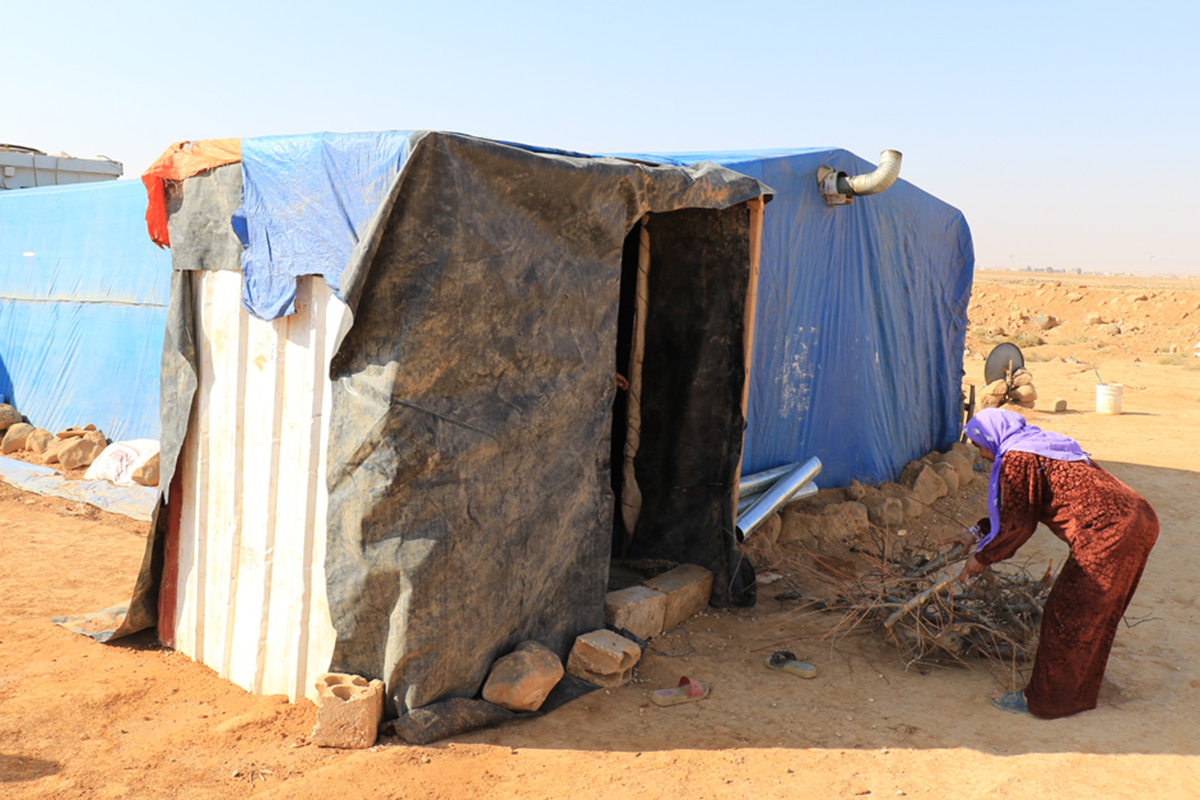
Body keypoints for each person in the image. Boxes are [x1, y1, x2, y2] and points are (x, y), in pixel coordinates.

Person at [944, 407, 1158, 719]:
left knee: (1066, 614)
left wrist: (982, 558)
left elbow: (1018, 526)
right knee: (1096, 612)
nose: (982, 454)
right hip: (1140, 519)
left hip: (1110, 532)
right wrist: (974, 533)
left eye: (980, 445)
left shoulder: (1018, 458)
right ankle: (1078, 693)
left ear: (991, 437)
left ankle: (1047, 701)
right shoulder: (1038, 446)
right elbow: (1014, 509)